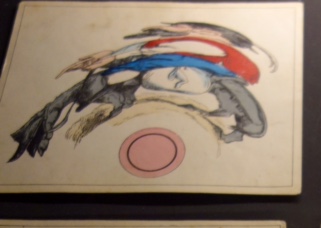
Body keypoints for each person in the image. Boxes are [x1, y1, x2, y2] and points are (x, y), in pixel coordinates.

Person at [8, 22, 273, 161]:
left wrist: (116, 57)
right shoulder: (137, 76)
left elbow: (163, 51)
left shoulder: (220, 67)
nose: (178, 76)